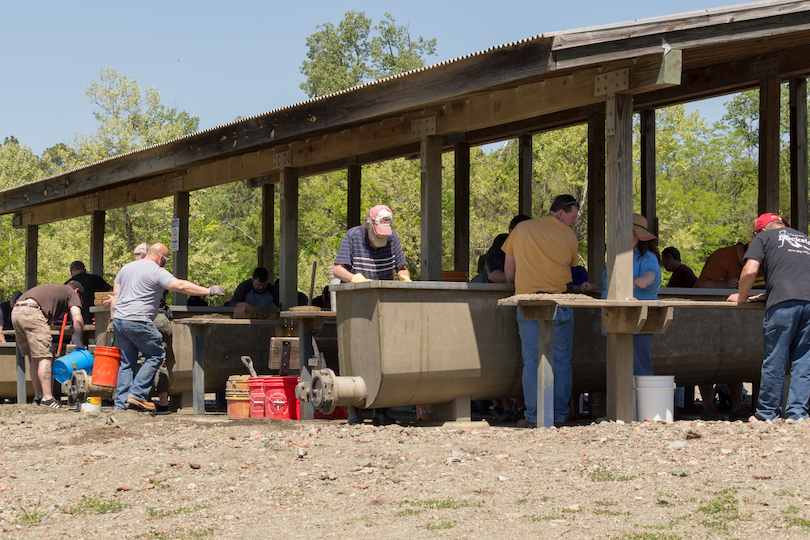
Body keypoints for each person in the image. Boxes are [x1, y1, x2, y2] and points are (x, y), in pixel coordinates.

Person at [107, 243, 224, 412]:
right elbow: (181, 286)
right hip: (139, 320)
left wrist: (112, 319)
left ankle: (120, 405)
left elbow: (116, 296)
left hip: (120, 320)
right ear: (161, 257)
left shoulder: (125, 268)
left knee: (127, 363)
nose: (165, 263)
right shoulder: (156, 270)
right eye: (166, 260)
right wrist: (208, 290)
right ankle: (137, 395)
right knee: (156, 354)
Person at [503, 194, 579, 428]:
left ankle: (535, 416)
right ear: (560, 213)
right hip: (561, 301)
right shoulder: (568, 235)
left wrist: (518, 284)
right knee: (562, 360)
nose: (574, 222)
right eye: (573, 217)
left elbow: (509, 270)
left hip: (528, 301)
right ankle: (558, 415)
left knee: (532, 359)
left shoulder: (521, 229)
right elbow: (571, 265)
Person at [728, 213, 810, 421]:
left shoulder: (763, 238)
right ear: (782, 225)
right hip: (808, 302)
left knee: (775, 359)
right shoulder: (804, 239)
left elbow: (749, 271)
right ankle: (797, 415)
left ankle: (767, 415)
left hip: (783, 305)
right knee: (803, 361)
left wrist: (742, 297)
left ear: (761, 229)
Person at [334, 204, 411, 425]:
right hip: (355, 300)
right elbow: (338, 269)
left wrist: (405, 277)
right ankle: (353, 410)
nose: (382, 238)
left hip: (382, 300)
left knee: (382, 354)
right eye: (378, 234)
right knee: (354, 352)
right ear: (369, 225)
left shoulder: (392, 237)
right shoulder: (353, 236)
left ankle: (381, 409)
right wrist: (354, 278)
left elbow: (401, 267)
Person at [582, 214, 662, 377]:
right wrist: (593, 287)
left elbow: (652, 274)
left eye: (628, 232)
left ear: (639, 236)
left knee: (640, 367)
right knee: (618, 369)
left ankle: (642, 402)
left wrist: (643, 280)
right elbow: (611, 285)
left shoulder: (647, 256)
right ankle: (624, 401)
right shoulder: (618, 258)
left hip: (638, 322)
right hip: (615, 321)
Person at [694, 242, 750, 419]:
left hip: (736, 318)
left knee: (735, 359)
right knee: (708, 358)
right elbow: (701, 287)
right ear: (744, 253)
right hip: (709, 315)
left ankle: (738, 406)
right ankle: (708, 406)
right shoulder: (722, 257)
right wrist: (725, 285)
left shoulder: (758, 262)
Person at [11, 282, 84, 408]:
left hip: (16, 312)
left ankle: (38, 397)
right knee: (45, 357)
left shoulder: (54, 290)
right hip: (32, 312)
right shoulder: (72, 293)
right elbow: (77, 319)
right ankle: (48, 398)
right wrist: (80, 342)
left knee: (35, 357)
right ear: (77, 291)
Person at [132, 243, 175, 414]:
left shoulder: (144, 273)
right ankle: (162, 403)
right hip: (161, 319)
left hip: (150, 319)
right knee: (159, 360)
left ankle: (142, 400)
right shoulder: (161, 274)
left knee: (143, 360)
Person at [484, 214, 531, 283]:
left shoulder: (535, 249)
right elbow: (493, 275)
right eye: (523, 232)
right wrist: (522, 280)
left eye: (529, 232)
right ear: (510, 232)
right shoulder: (498, 249)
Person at [64, 260, 112, 325]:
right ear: (85, 270)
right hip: (96, 320)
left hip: (76, 322)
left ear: (71, 272)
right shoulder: (96, 279)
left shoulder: (67, 285)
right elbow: (111, 292)